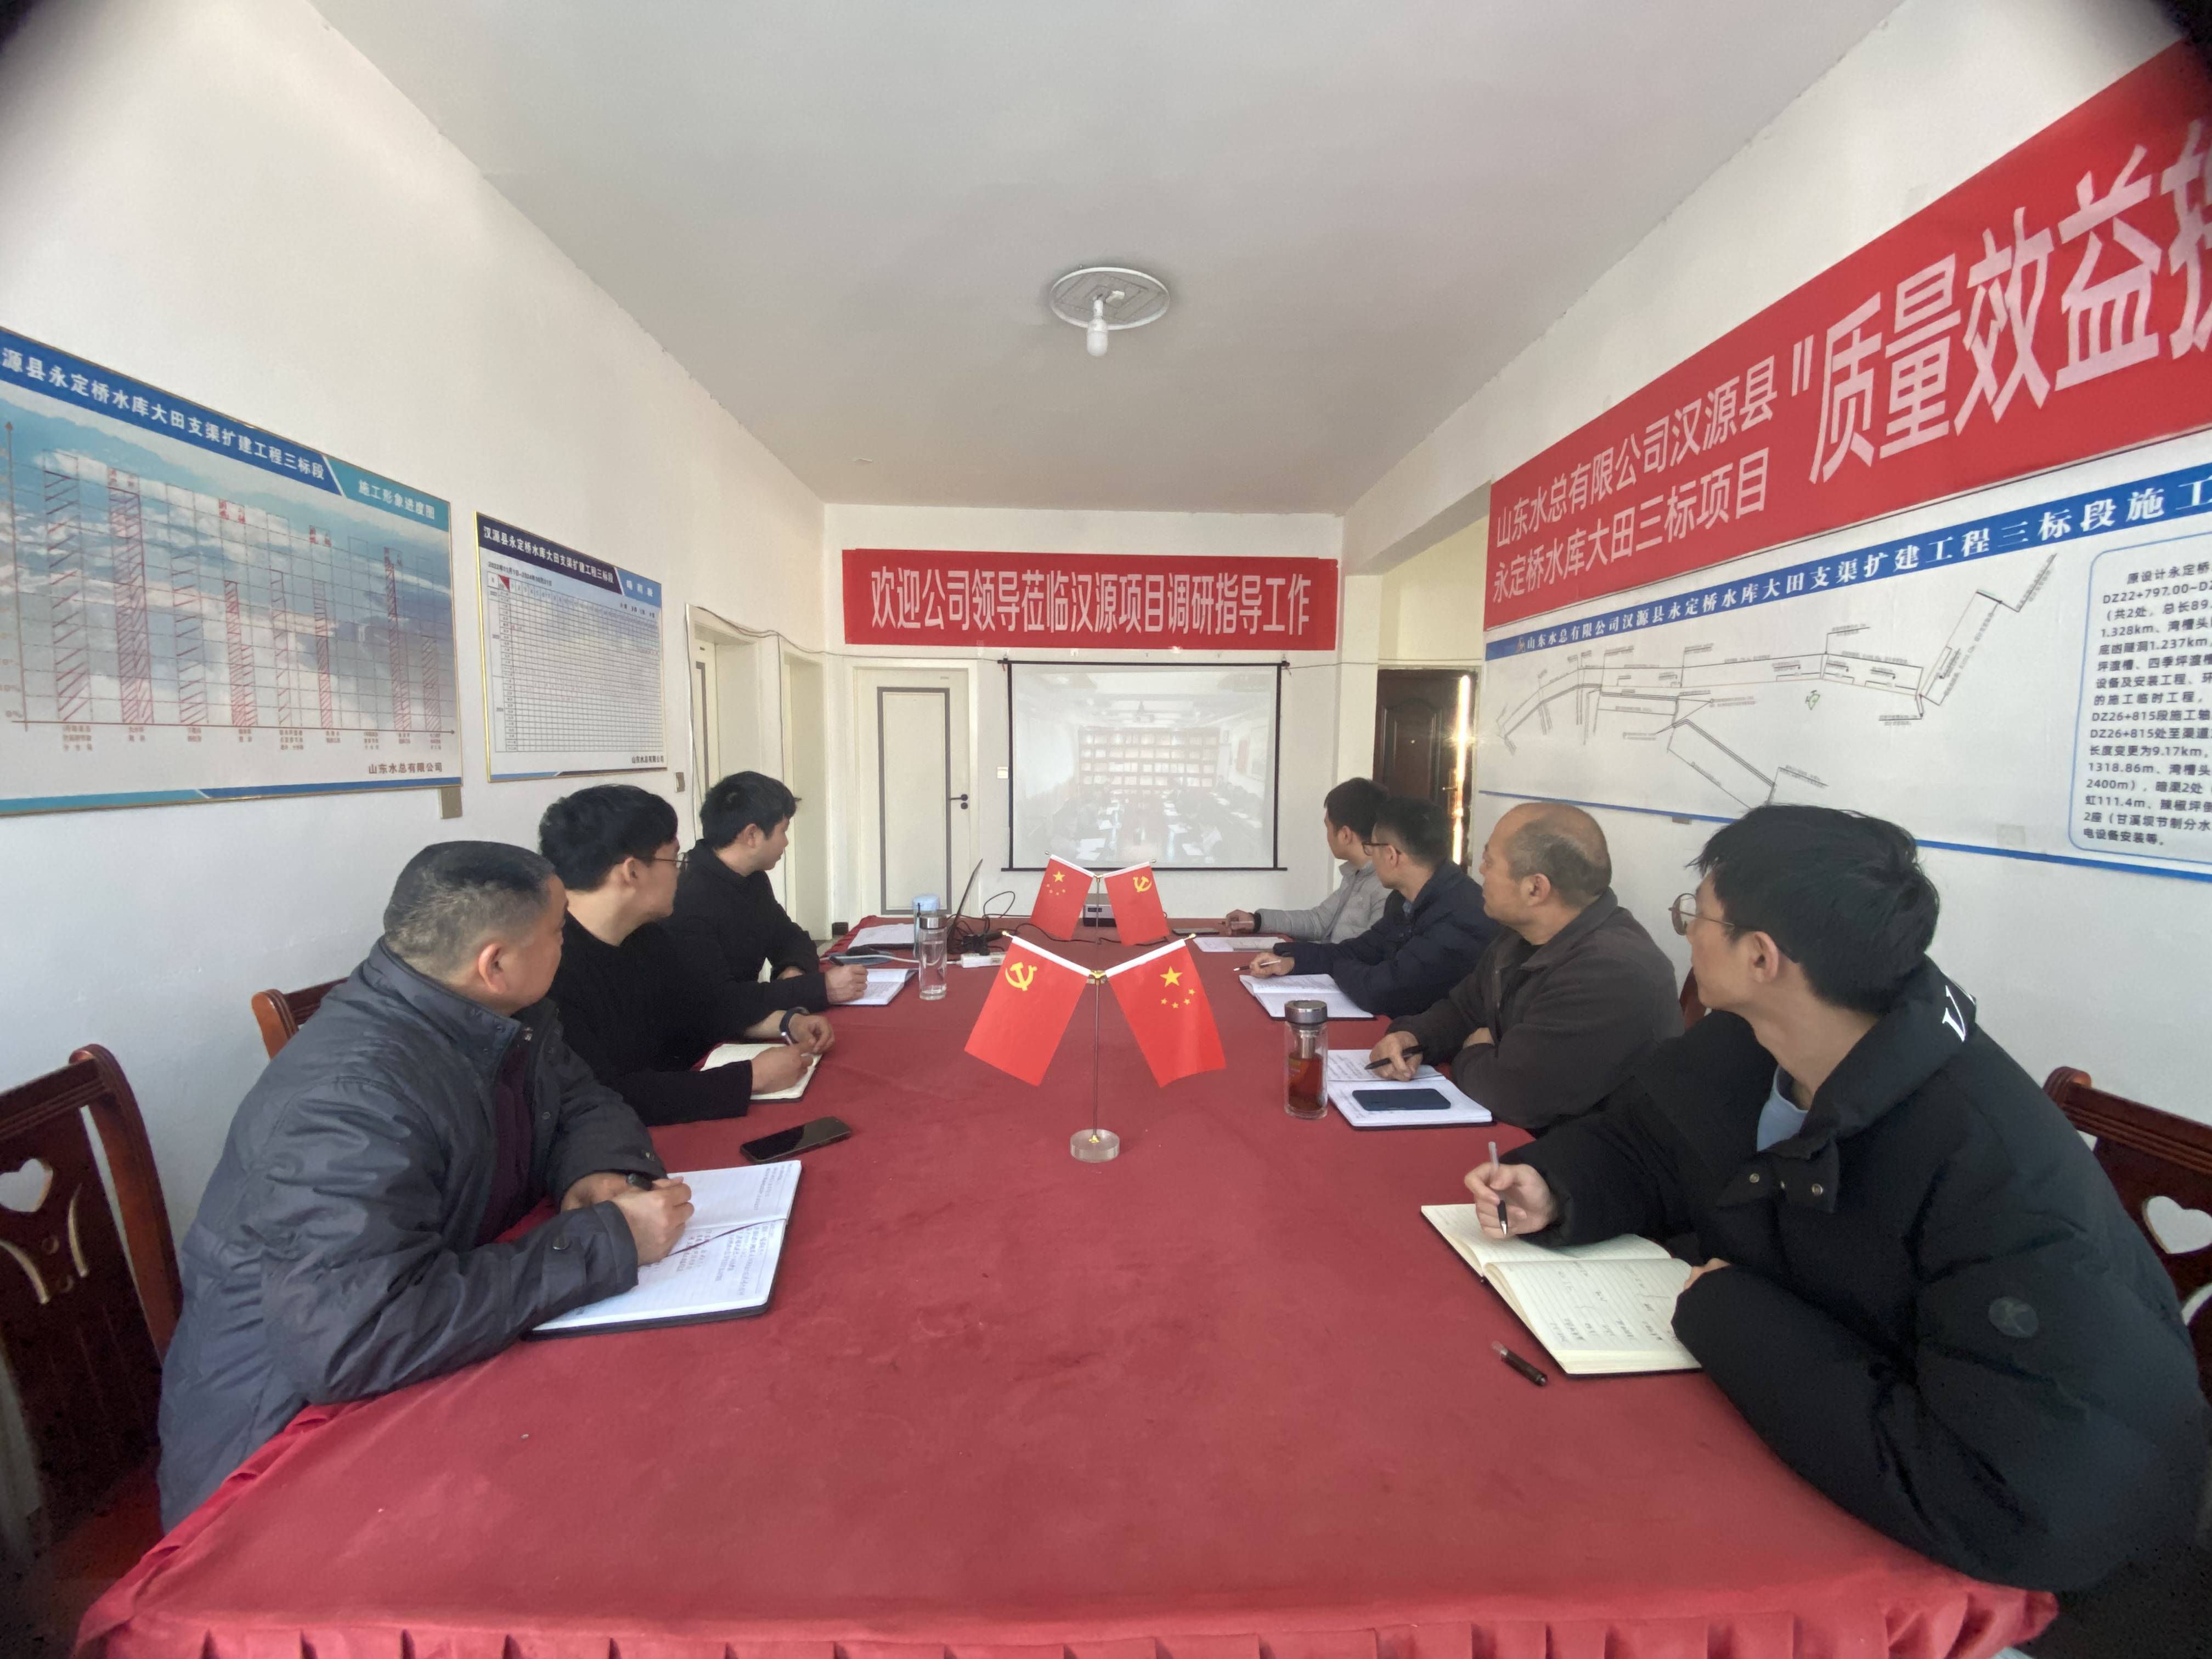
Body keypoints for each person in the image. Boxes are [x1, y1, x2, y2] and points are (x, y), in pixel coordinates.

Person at [1463, 805, 2209, 1592]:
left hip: (2033, 1578)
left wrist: (1731, 1315)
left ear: (1761, 957)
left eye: (1697, 916)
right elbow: (1650, 1144)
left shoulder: (1991, 1169)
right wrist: (1557, 1184)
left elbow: (2019, 1503)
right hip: (1806, 1419)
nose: (1684, 933)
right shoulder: (1756, 1040)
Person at [157, 842, 694, 1528]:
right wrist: (605, 1241)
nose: (569, 944)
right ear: (494, 963)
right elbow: (357, 1336)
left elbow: (581, 1098)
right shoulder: (352, 1097)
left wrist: (597, 1170)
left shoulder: (498, 1014)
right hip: (283, 1452)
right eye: (560, 931)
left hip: (425, 1344)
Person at [1368, 802, 1679, 1131]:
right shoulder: (1519, 937)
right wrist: (1412, 1036)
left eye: (1489, 861)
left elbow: (1513, 1094)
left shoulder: (1610, 972)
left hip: (1574, 1152)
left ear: (1535, 888)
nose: (1481, 871)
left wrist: (1475, 1049)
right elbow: (1463, 1009)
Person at [540, 785, 833, 1123]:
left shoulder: (647, 937)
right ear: (632, 872)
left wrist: (786, 1021)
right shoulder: (550, 969)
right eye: (674, 859)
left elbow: (702, 1009)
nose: (681, 871)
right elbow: (607, 1094)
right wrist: (749, 1079)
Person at [1246, 797, 1494, 1017]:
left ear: (1391, 855)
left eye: (1372, 848)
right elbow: (1360, 951)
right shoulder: (1403, 899)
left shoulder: (1463, 914)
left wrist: (1336, 968)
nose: (1370, 857)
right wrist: (1293, 962)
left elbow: (1384, 990)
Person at [664, 771, 865, 1013]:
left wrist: (793, 972)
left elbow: (791, 938)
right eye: (783, 830)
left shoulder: (753, 878)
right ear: (752, 835)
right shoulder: (688, 896)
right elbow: (720, 1002)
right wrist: (820, 989)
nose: (786, 842)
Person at [1225, 777, 1387, 943]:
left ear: (1345, 835)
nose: (1327, 837)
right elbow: (1318, 921)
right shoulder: (1356, 874)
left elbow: (1367, 953)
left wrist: (1299, 955)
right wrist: (1257, 921)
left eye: (1328, 827)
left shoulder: (1385, 887)